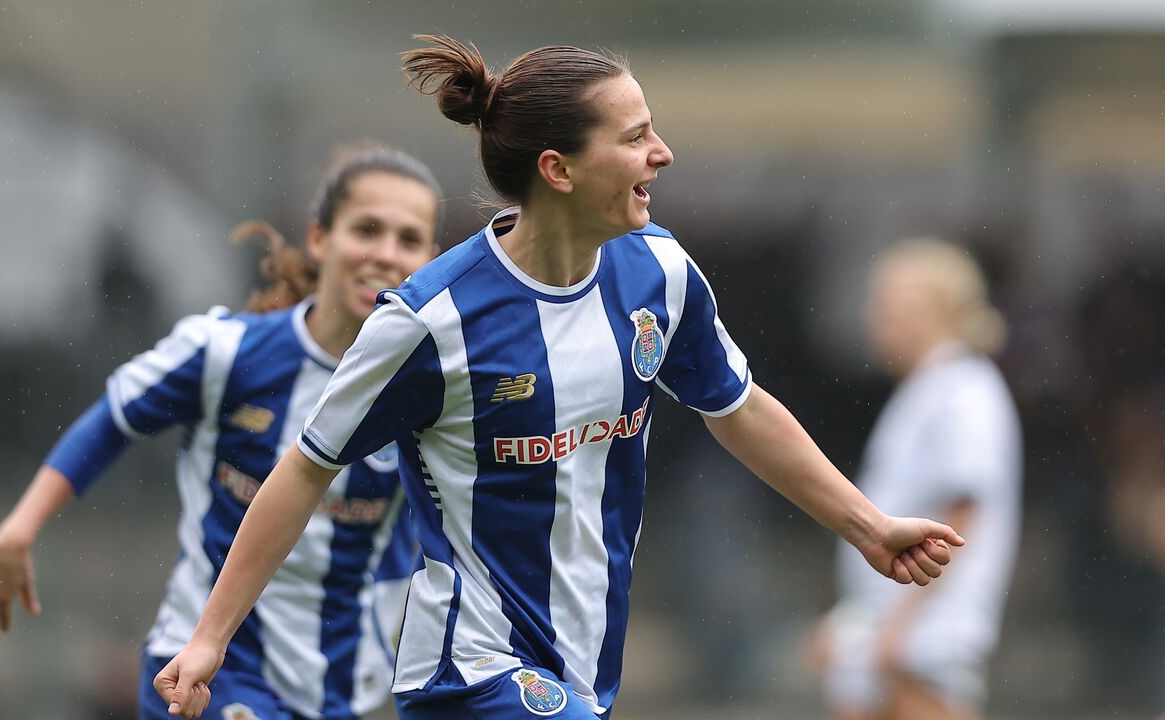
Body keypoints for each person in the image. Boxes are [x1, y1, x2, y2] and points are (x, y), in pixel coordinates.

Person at [154, 36, 966, 720]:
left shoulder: (660, 274)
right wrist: (209, 637)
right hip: (465, 663)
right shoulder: (431, 321)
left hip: (583, 661)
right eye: (636, 135)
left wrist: (869, 527)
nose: (663, 152)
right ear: (559, 169)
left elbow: (739, 408)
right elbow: (304, 466)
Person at [0, 146, 442, 720]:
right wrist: (20, 530)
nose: (385, 254)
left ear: (431, 259)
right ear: (320, 240)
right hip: (206, 675)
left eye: (408, 239)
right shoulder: (227, 352)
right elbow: (114, 419)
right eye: (367, 229)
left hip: (342, 692)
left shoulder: (433, 388)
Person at [809, 239, 1022, 720]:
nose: (874, 319)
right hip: (893, 634)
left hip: (920, 643)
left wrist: (899, 630)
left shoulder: (964, 388)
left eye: (889, 306)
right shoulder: (929, 388)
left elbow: (963, 515)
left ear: (936, 311)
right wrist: (855, 623)